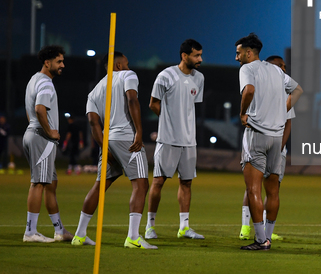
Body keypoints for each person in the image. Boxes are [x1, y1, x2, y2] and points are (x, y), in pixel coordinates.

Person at [71, 52, 156, 249]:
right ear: (117, 65)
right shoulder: (128, 75)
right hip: (127, 138)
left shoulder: (94, 91)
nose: (128, 66)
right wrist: (139, 132)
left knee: (100, 185)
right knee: (141, 184)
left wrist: (103, 146)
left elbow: (93, 122)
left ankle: (80, 234)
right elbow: (132, 100)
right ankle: (133, 237)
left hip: (108, 140)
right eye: (126, 63)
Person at [235, 33, 302, 250]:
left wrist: (243, 112)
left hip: (257, 134)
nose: (236, 58)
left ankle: (260, 239)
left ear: (248, 52)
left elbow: (249, 90)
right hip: (277, 138)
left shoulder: (247, 69)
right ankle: (269, 237)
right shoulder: (275, 70)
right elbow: (298, 90)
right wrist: (283, 111)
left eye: (238, 53)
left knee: (253, 189)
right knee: (273, 191)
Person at [145, 39, 205, 240]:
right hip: (168, 139)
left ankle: (184, 227)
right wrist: (169, 121)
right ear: (184, 56)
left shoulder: (199, 78)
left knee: (186, 183)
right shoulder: (165, 75)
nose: (200, 59)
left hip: (189, 141)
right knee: (159, 181)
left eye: (200, 55)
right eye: (196, 55)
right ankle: (150, 226)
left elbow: (190, 106)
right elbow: (153, 103)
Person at [22, 45, 73, 243]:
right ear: (47, 63)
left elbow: (30, 112)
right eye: (59, 61)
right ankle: (30, 232)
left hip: (34, 134)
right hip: (41, 138)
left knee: (51, 183)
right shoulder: (45, 83)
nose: (62, 65)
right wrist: (49, 131)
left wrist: (35, 127)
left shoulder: (33, 80)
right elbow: (40, 109)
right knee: (38, 183)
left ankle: (60, 230)